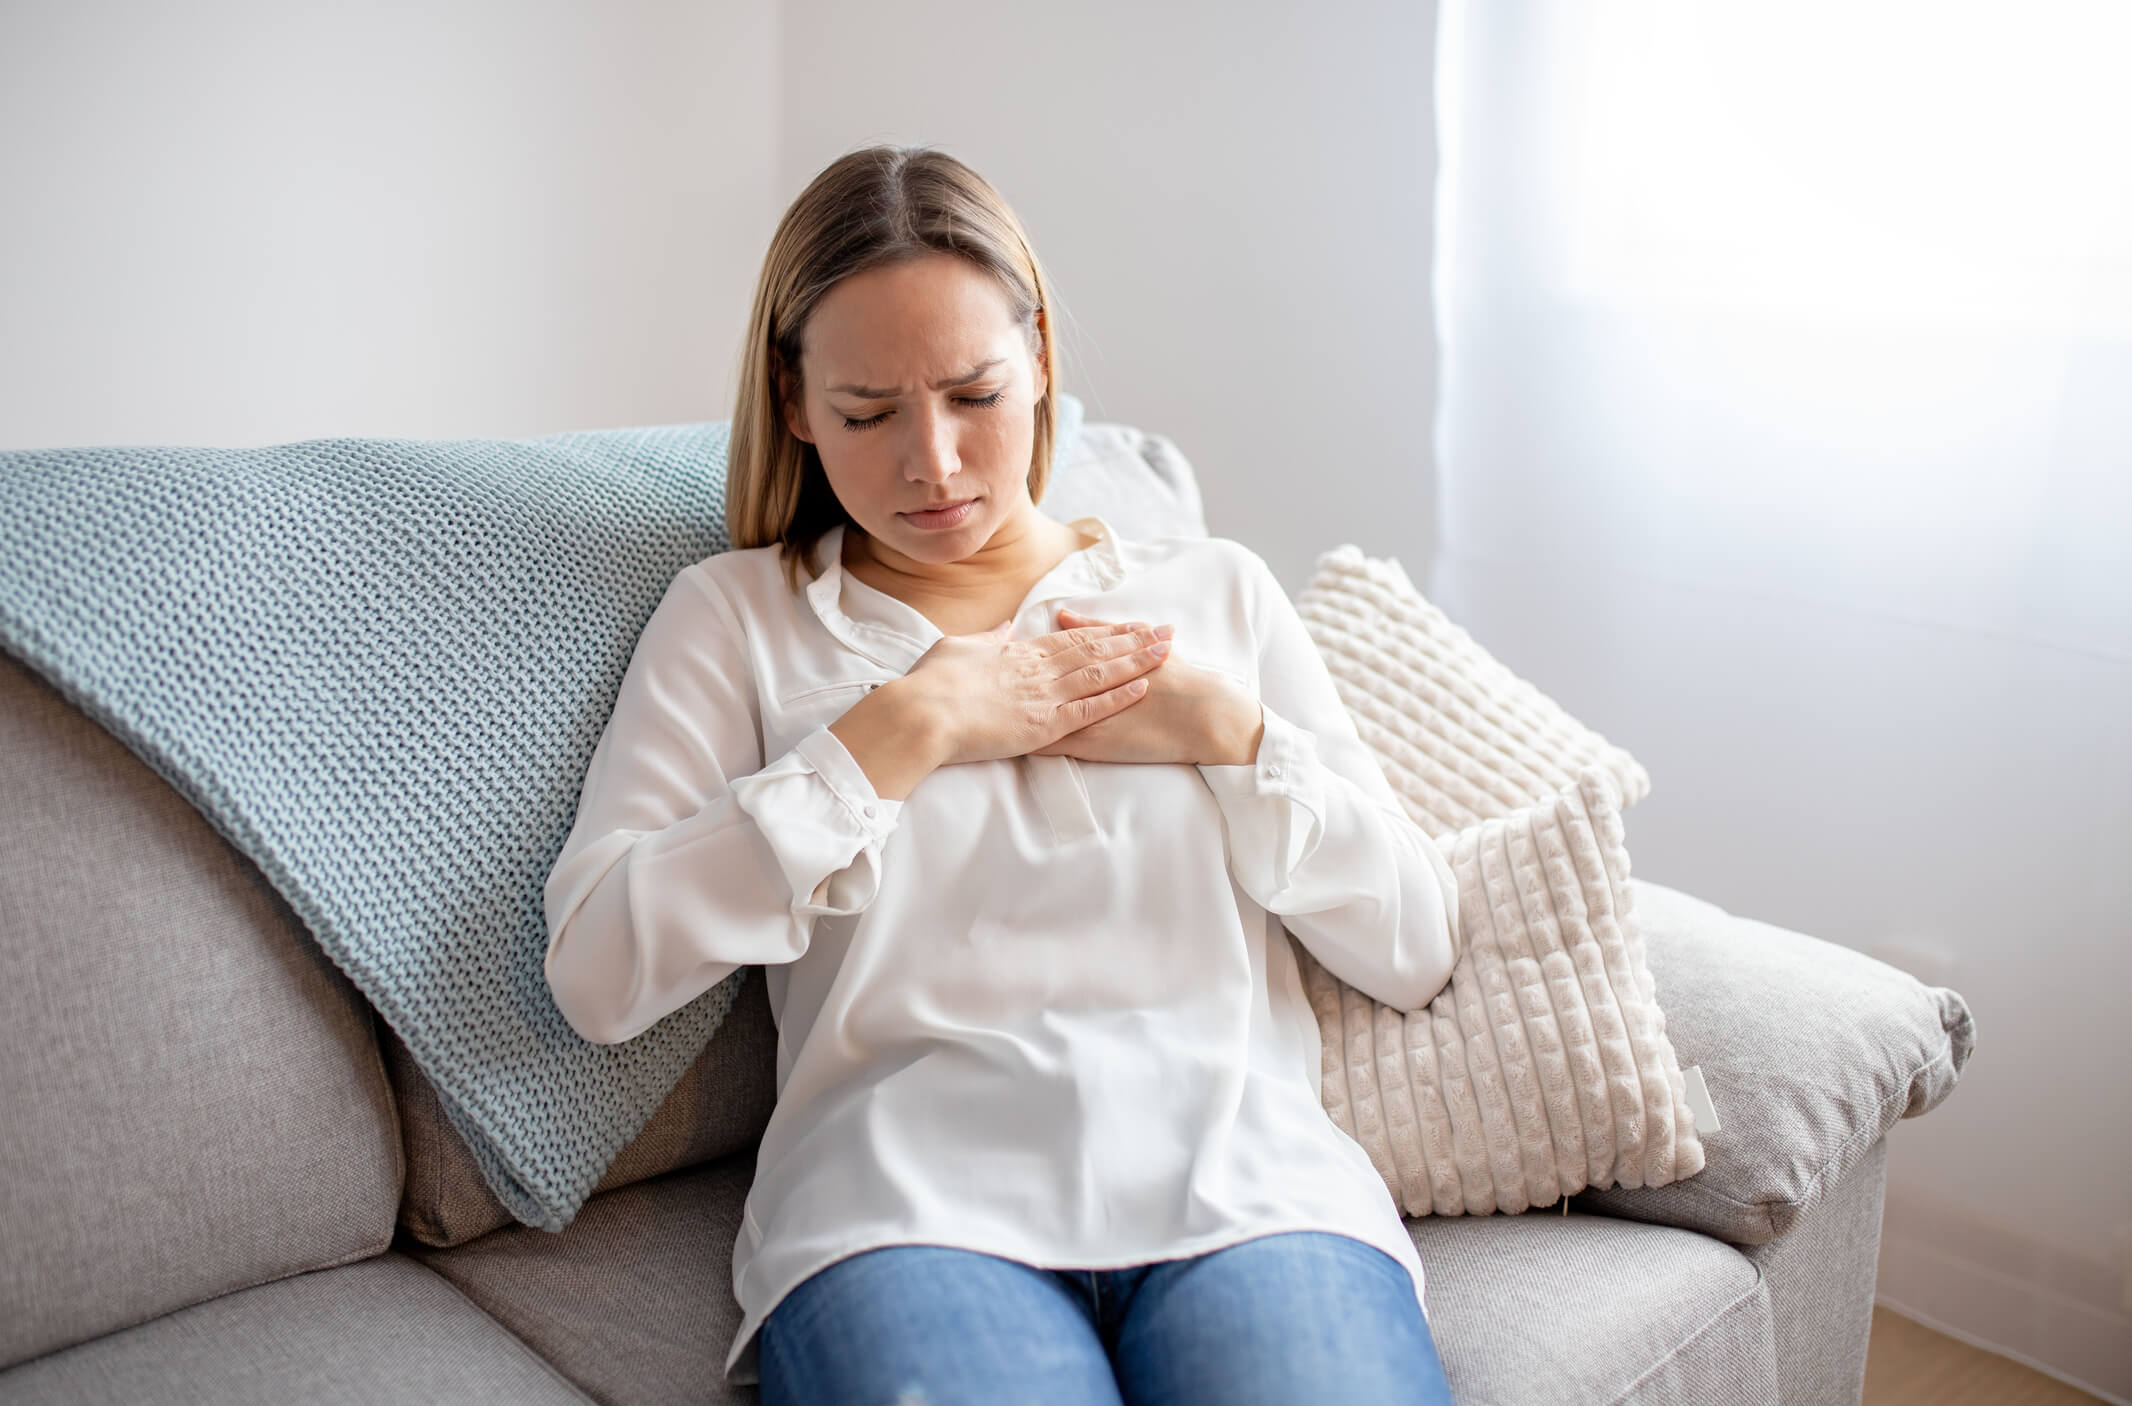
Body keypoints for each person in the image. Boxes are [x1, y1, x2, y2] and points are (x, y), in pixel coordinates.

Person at [541, 145, 1462, 1405]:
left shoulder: (1210, 594)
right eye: (867, 411)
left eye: (974, 392)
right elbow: (597, 967)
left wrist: (1227, 731)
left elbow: (1413, 940)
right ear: (795, 400)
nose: (934, 462)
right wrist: (898, 732)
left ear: (1038, 357)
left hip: (1251, 1190)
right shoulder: (737, 619)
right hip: (903, 1211)